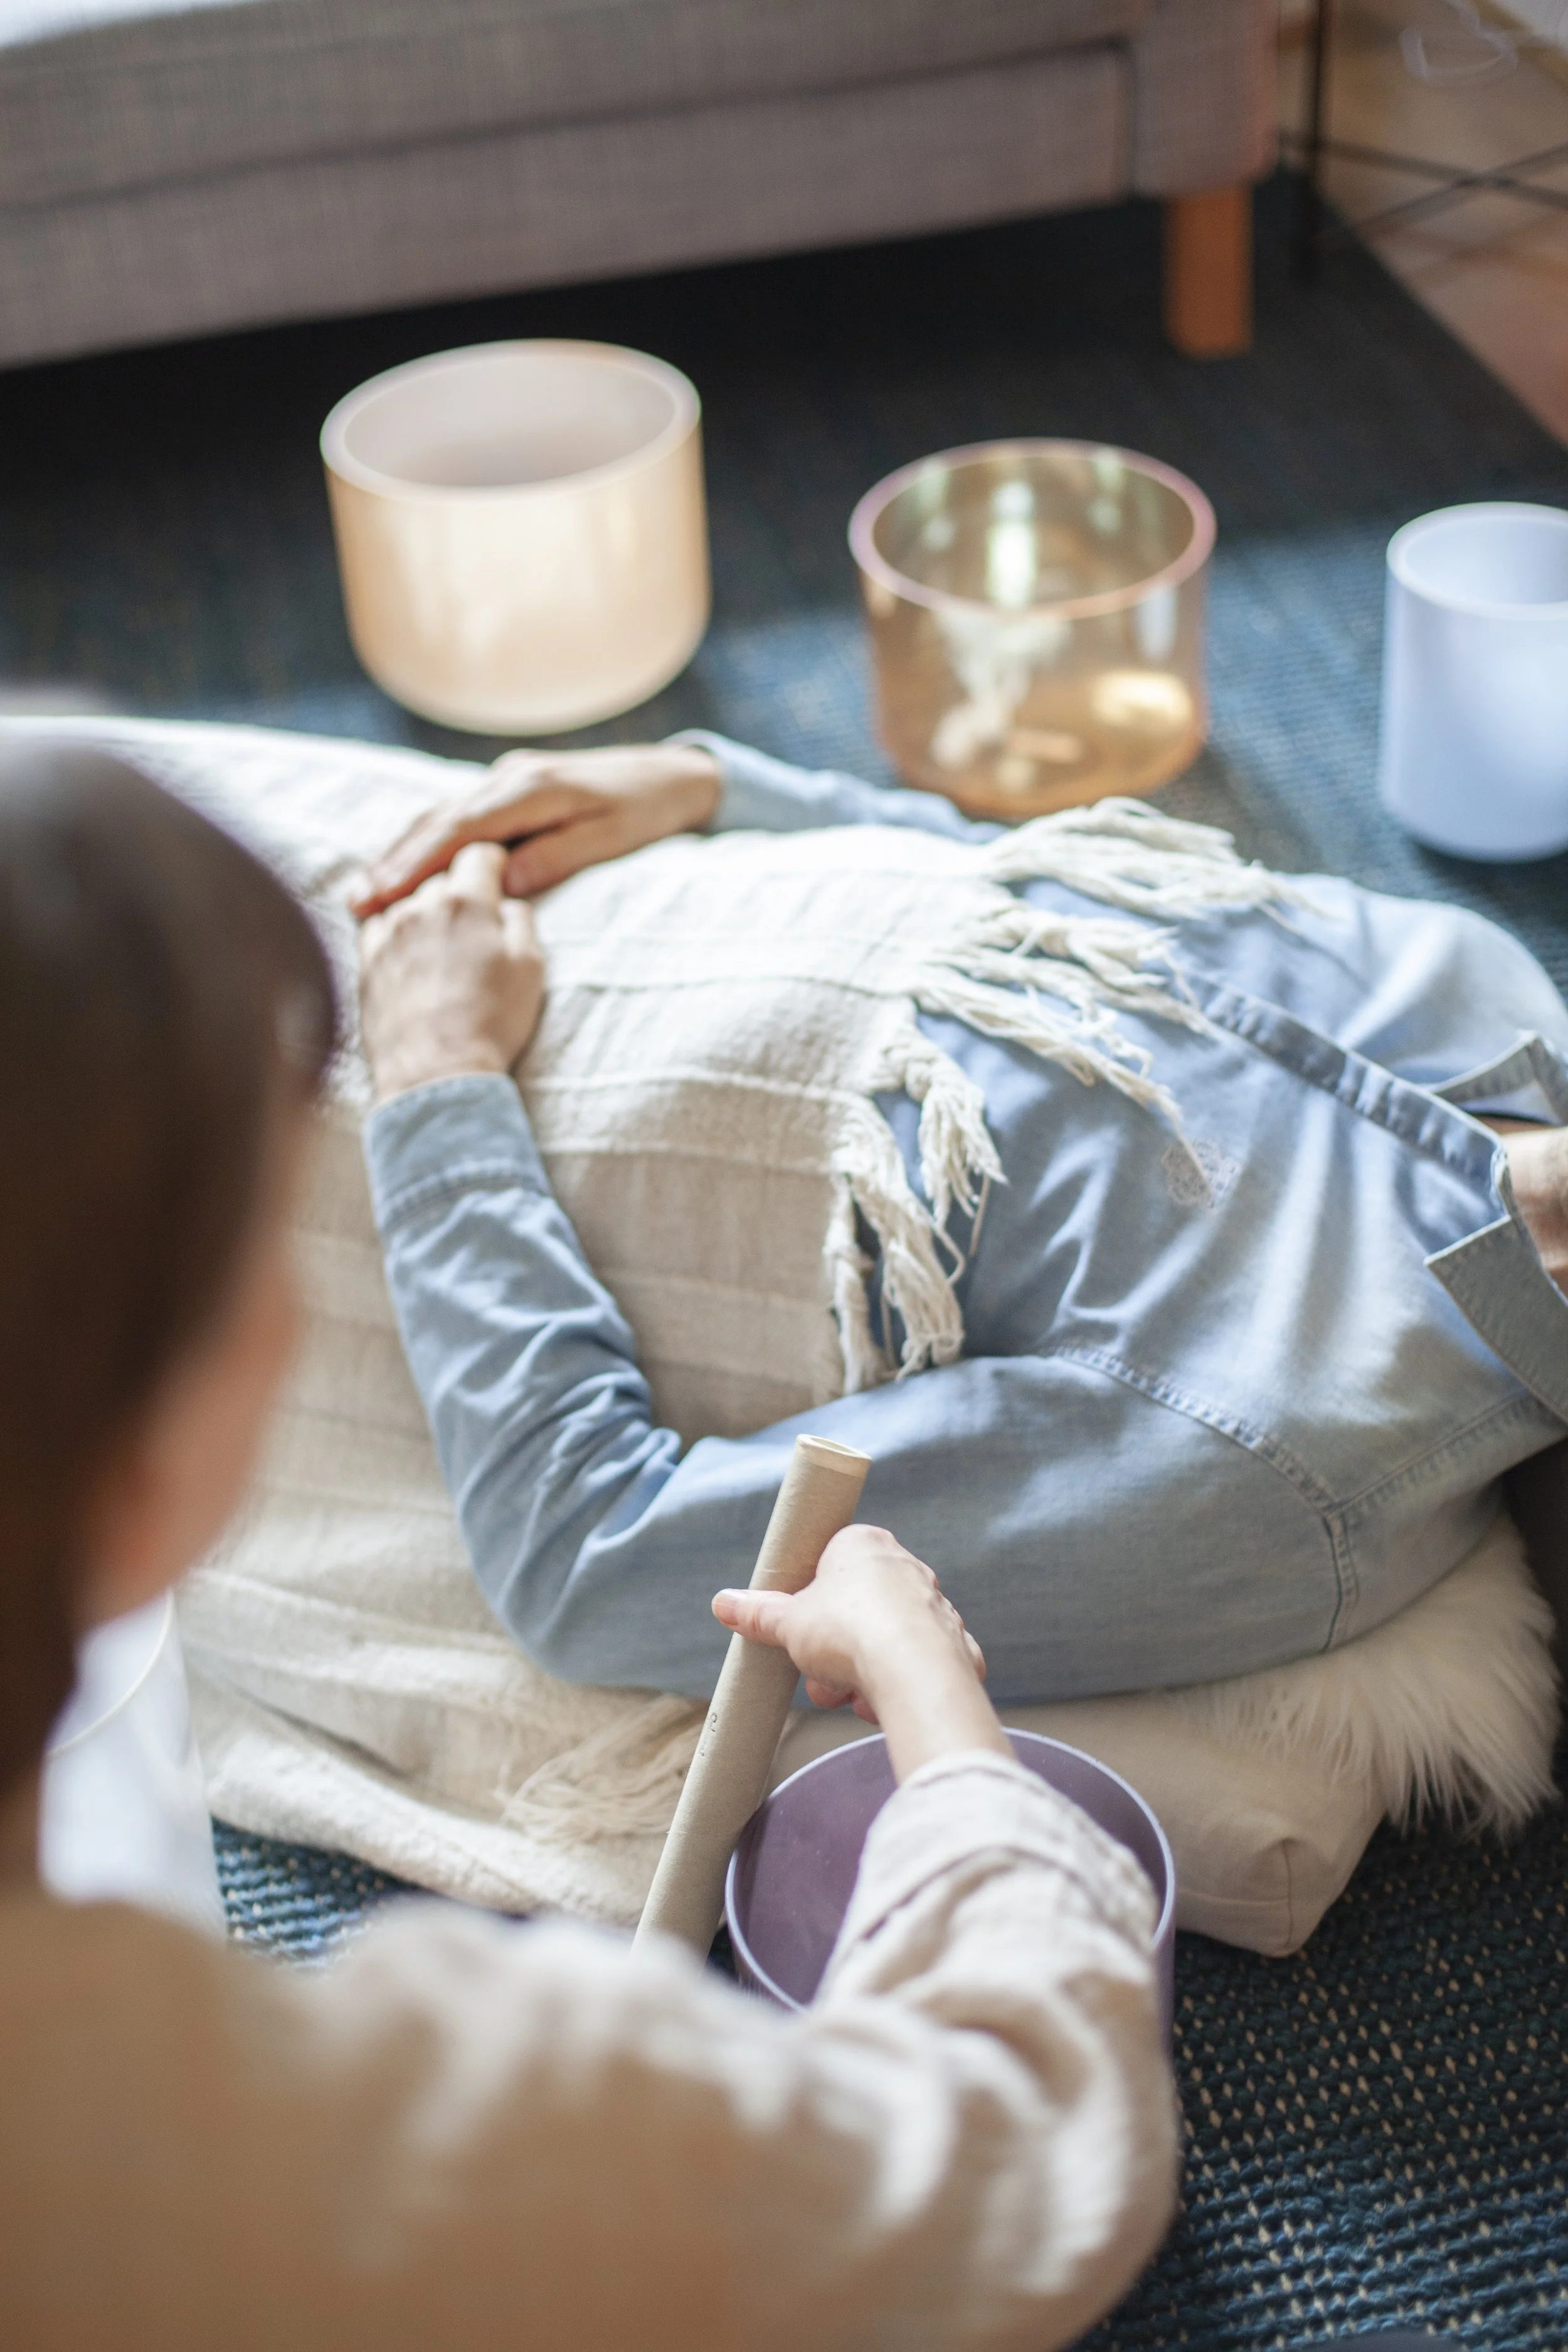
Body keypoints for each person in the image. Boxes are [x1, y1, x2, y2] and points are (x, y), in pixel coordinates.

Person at [0, 738, 1176, 2351]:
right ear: (134, 1475)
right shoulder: (340, 2148)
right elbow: (1013, 2154)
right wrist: (939, 1713)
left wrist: (725, 779)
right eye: (258, 1254)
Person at [352, 734, 1568, 1706]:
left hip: (370, 1096)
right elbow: (1055, 884)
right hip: (514, 847)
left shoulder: (1288, 1471)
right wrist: (719, 782)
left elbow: (586, 1564)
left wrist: (437, 1081)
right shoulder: (1479, 979)